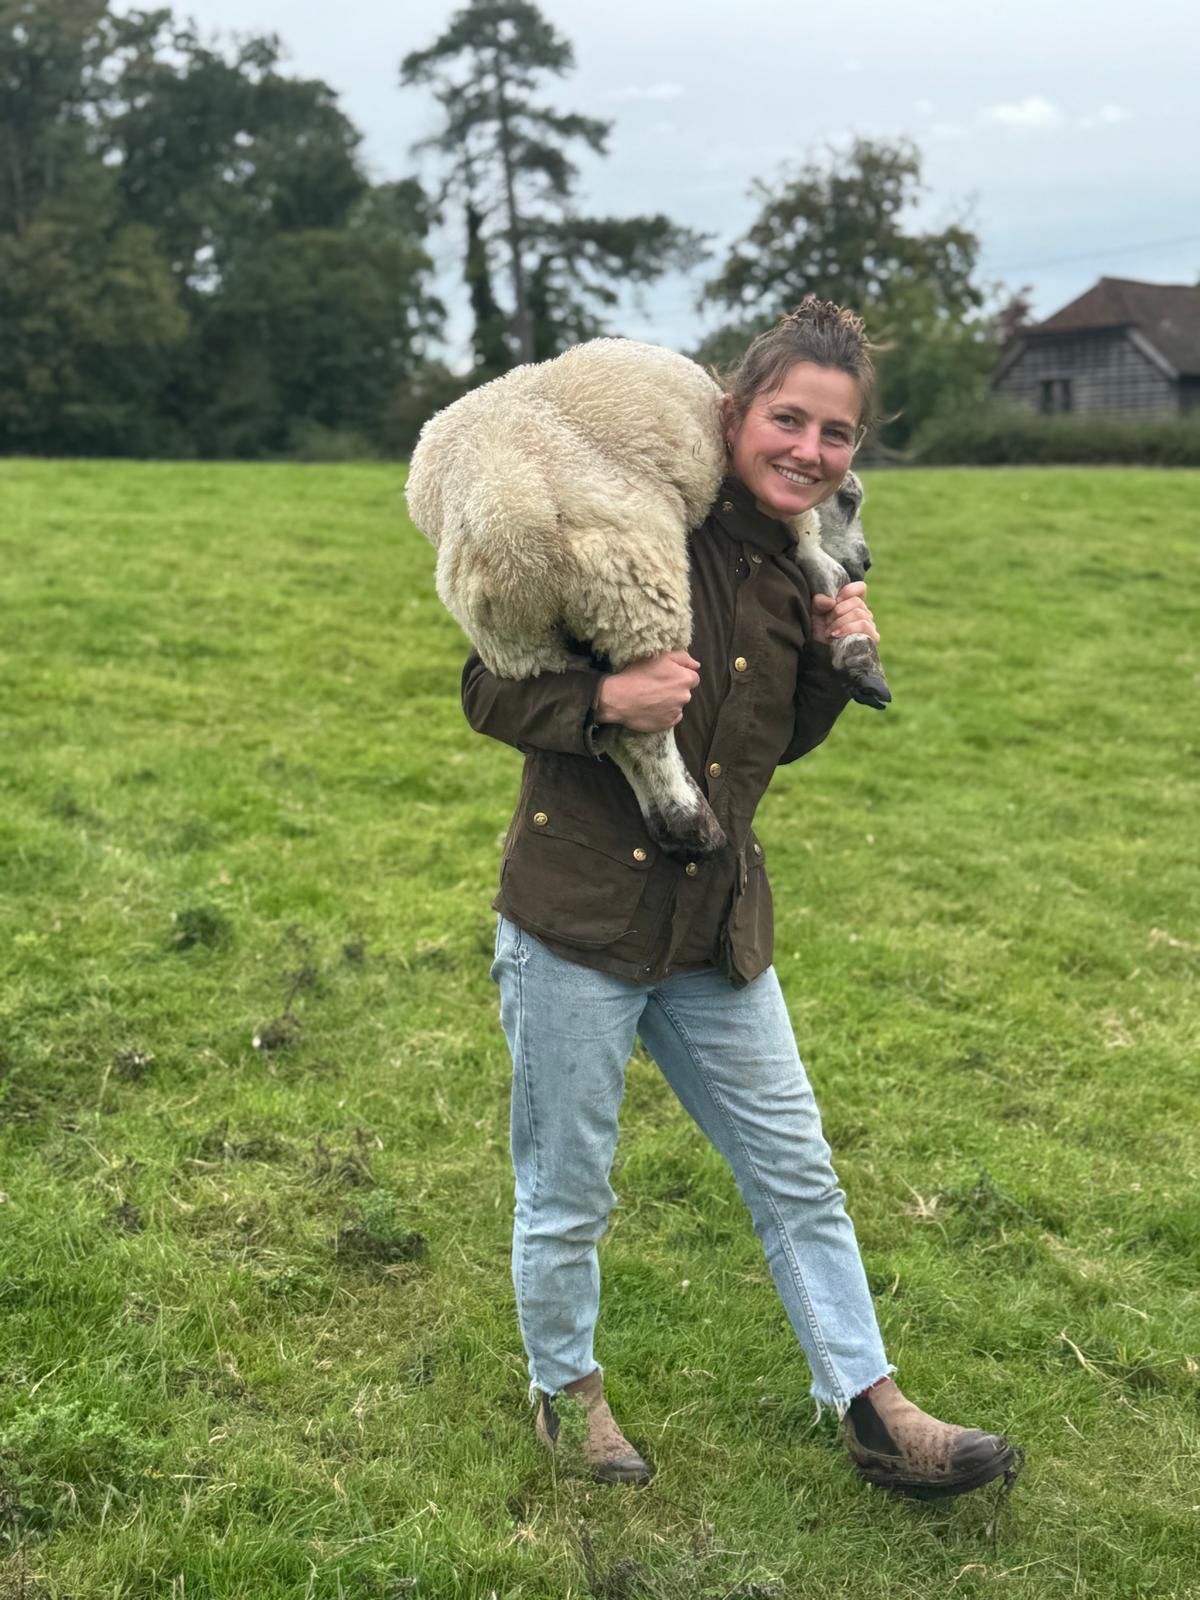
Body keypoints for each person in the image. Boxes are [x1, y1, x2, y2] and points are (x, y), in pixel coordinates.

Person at [460, 300, 1016, 1500]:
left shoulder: (797, 568)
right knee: (569, 1190)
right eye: (788, 419)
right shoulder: (629, 522)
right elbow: (485, 686)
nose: (810, 450)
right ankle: (570, 1395)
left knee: (798, 1171)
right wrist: (606, 701)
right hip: (576, 920)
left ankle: (872, 1406)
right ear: (733, 414)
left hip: (715, 926)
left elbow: (762, 751)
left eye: (837, 432)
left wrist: (829, 655)